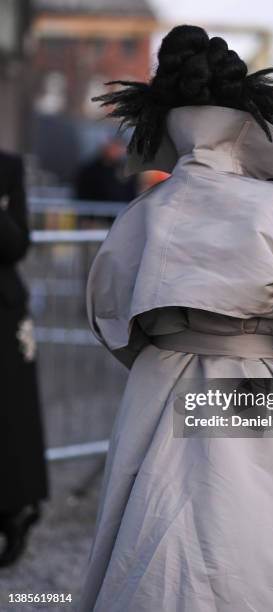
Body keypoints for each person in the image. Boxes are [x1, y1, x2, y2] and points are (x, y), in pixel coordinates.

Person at [77, 26, 273, 612]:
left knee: (158, 550)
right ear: (251, 118)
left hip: (158, 390)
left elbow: (107, 318)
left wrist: (173, 345)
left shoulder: (142, 215)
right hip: (261, 387)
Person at [0, 151, 49, 567]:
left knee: (12, 415)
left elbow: (17, 244)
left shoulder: (7, 167)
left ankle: (15, 510)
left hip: (3, 312)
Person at [75, 137, 139, 225]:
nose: (116, 150)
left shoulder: (126, 170)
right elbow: (82, 192)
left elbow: (132, 193)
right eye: (114, 146)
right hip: (94, 220)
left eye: (119, 147)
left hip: (119, 220)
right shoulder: (90, 170)